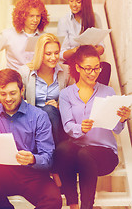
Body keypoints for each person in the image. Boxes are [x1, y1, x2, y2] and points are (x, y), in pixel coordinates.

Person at [0, 69, 62, 209]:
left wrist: (32, 159)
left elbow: (48, 158)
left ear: (22, 90)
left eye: (12, 93)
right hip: (3, 175)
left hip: (33, 175)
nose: (8, 98)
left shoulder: (39, 116)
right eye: (3, 94)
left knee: (54, 200)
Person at [54, 45, 131, 209]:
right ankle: (73, 204)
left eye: (96, 68)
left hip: (104, 154)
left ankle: (87, 207)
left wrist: (122, 119)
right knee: (62, 150)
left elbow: (116, 129)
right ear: (78, 68)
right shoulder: (66, 94)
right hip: (78, 151)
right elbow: (68, 126)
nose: (93, 73)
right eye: (88, 68)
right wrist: (81, 128)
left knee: (84, 154)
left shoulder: (108, 91)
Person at [0, 0, 49, 104]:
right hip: (14, 80)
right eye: (31, 16)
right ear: (22, 16)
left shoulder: (44, 36)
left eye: (38, 16)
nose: (35, 20)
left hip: (36, 81)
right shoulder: (8, 35)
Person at [18, 33, 73, 146]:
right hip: (33, 120)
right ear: (40, 54)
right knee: (44, 112)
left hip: (57, 119)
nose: (53, 58)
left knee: (49, 110)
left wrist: (59, 105)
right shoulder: (25, 72)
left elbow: (74, 99)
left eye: (56, 53)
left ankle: (56, 150)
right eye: (48, 54)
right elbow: (19, 101)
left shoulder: (66, 71)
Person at [57, 0, 111, 85]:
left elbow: (101, 48)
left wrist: (91, 50)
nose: (73, 4)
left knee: (106, 67)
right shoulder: (64, 21)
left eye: (78, 1)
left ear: (85, 2)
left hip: (90, 61)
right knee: (80, 70)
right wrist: (77, 50)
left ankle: (97, 98)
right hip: (73, 62)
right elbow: (61, 54)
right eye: (71, 0)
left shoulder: (95, 18)